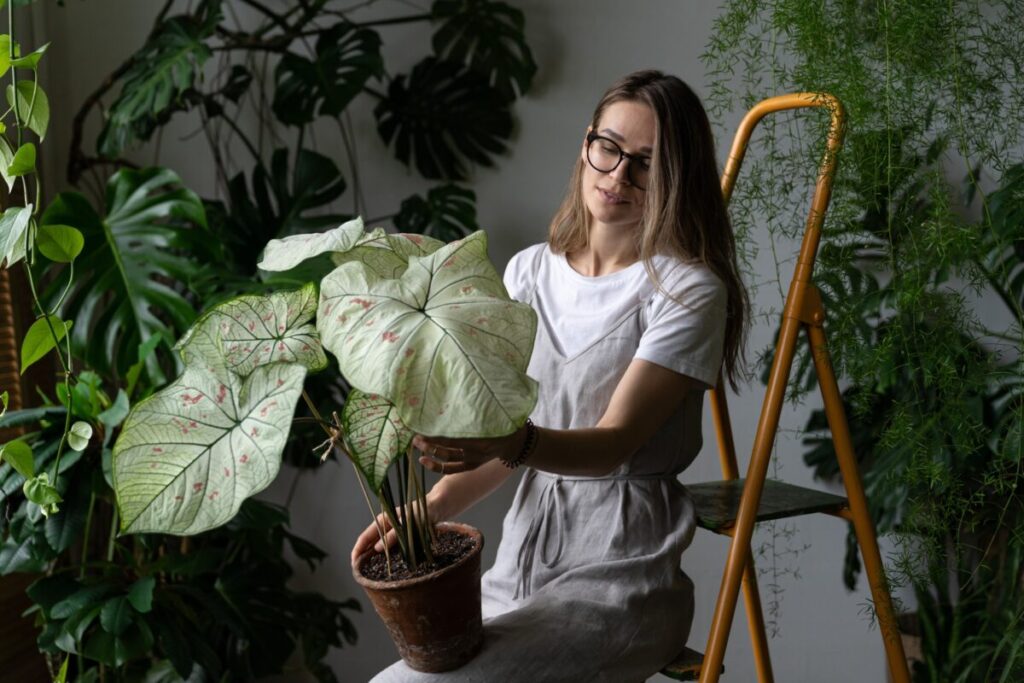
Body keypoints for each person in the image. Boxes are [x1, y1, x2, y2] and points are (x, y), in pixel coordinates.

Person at [353, 69, 749, 682]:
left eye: (648, 163)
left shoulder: (686, 290)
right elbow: (505, 450)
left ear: (677, 177)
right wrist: (424, 509)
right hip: (519, 563)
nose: (619, 175)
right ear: (587, 144)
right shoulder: (529, 274)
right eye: (609, 148)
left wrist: (511, 442)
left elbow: (613, 444)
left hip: (621, 574)